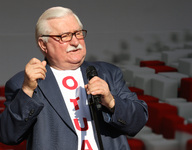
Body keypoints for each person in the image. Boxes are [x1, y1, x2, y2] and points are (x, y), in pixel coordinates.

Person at [0, 6, 148, 150]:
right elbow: (8, 135)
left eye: (78, 33)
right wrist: (27, 91)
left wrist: (111, 101)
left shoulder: (108, 73)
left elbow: (138, 120)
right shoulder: (23, 83)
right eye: (64, 36)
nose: (75, 42)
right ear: (43, 44)